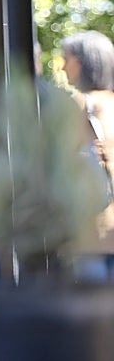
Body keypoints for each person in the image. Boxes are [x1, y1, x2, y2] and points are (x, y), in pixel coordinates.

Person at [61, 30, 114, 277]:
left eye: (66, 58)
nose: (62, 67)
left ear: (82, 62)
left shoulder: (80, 104)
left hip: (92, 230)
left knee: (95, 310)